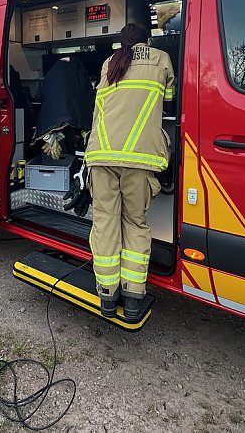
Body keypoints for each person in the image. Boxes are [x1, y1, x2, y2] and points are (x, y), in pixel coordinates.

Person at [85, 23, 175, 321]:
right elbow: (170, 98)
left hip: (101, 155)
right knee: (135, 223)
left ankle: (107, 298)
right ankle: (133, 299)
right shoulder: (161, 58)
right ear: (147, 40)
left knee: (105, 223)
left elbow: (99, 110)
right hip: (140, 157)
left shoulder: (109, 63)